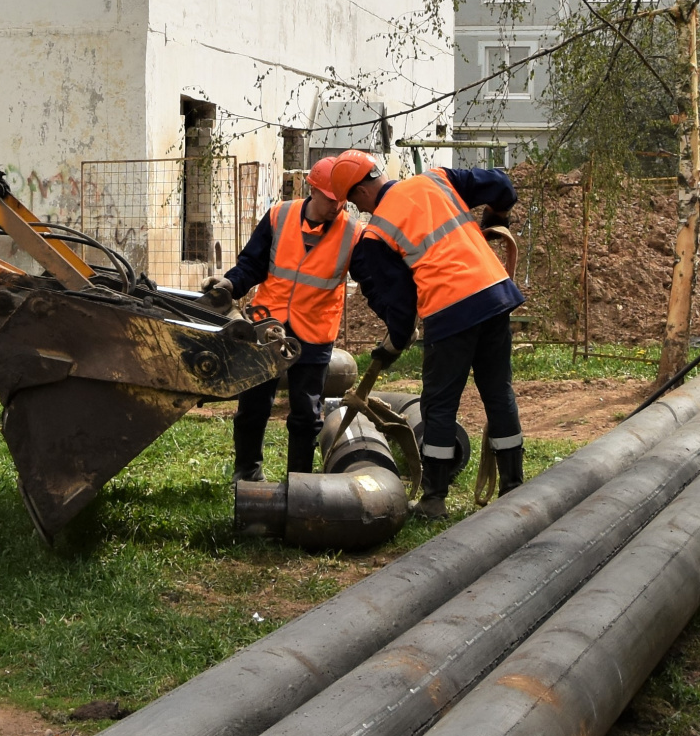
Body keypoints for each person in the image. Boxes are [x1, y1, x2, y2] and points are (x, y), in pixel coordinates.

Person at [326, 149, 523, 519]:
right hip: (495, 295)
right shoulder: (436, 178)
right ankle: (513, 485)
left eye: (353, 201)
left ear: (360, 193)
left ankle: (434, 498)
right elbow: (501, 184)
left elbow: (402, 308)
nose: (358, 208)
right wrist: (498, 217)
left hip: (451, 311)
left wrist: (391, 345)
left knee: (439, 405)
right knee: (498, 391)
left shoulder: (377, 233)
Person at [201, 156, 362, 481]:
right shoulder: (279, 216)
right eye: (331, 199)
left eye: (342, 199)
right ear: (312, 189)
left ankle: (299, 484)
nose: (337, 206)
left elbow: (375, 279)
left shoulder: (353, 233)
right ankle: (246, 475)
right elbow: (252, 263)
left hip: (314, 335)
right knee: (252, 407)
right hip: (266, 326)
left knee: (306, 414)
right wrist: (230, 285)